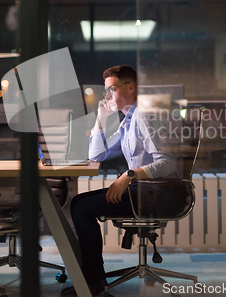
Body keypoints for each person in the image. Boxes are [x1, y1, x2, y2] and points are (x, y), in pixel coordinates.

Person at [61, 65, 179, 296]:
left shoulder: (144, 116)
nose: (107, 96)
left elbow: (168, 163)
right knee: (77, 204)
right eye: (106, 91)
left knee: (82, 208)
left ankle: (94, 285)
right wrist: (101, 118)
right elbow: (97, 155)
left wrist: (129, 175)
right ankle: (93, 279)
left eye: (111, 89)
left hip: (156, 192)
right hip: (143, 189)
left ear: (130, 87)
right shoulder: (128, 120)